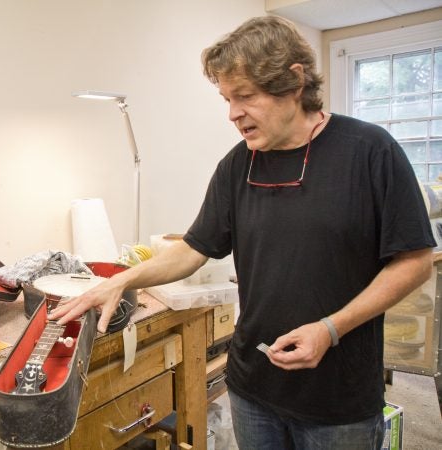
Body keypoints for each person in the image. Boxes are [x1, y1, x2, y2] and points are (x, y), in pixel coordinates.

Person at [49, 15, 435, 449]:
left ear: (293, 82)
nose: (233, 114)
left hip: (338, 398)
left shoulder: (370, 151)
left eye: (245, 96)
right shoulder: (237, 165)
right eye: (227, 99)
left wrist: (329, 329)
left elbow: (415, 262)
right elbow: (195, 249)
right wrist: (121, 280)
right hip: (254, 389)